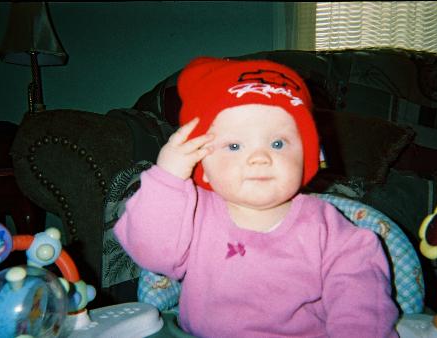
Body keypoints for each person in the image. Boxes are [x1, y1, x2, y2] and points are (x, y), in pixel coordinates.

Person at [114, 56, 399, 337]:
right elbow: (150, 253)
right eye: (235, 145)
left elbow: (360, 292)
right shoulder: (190, 211)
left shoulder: (325, 226)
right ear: (204, 168)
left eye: (277, 142)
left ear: (306, 157)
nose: (260, 157)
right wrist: (168, 179)